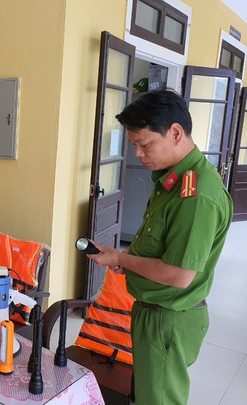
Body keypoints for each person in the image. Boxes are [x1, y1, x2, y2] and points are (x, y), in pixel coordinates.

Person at [87, 90, 233, 405]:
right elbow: (158, 249)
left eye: (145, 144)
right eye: (134, 145)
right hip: (154, 313)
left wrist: (120, 256)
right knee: (147, 395)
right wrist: (125, 262)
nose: (138, 154)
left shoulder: (195, 196)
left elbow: (180, 275)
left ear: (176, 133)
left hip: (169, 318)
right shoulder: (170, 180)